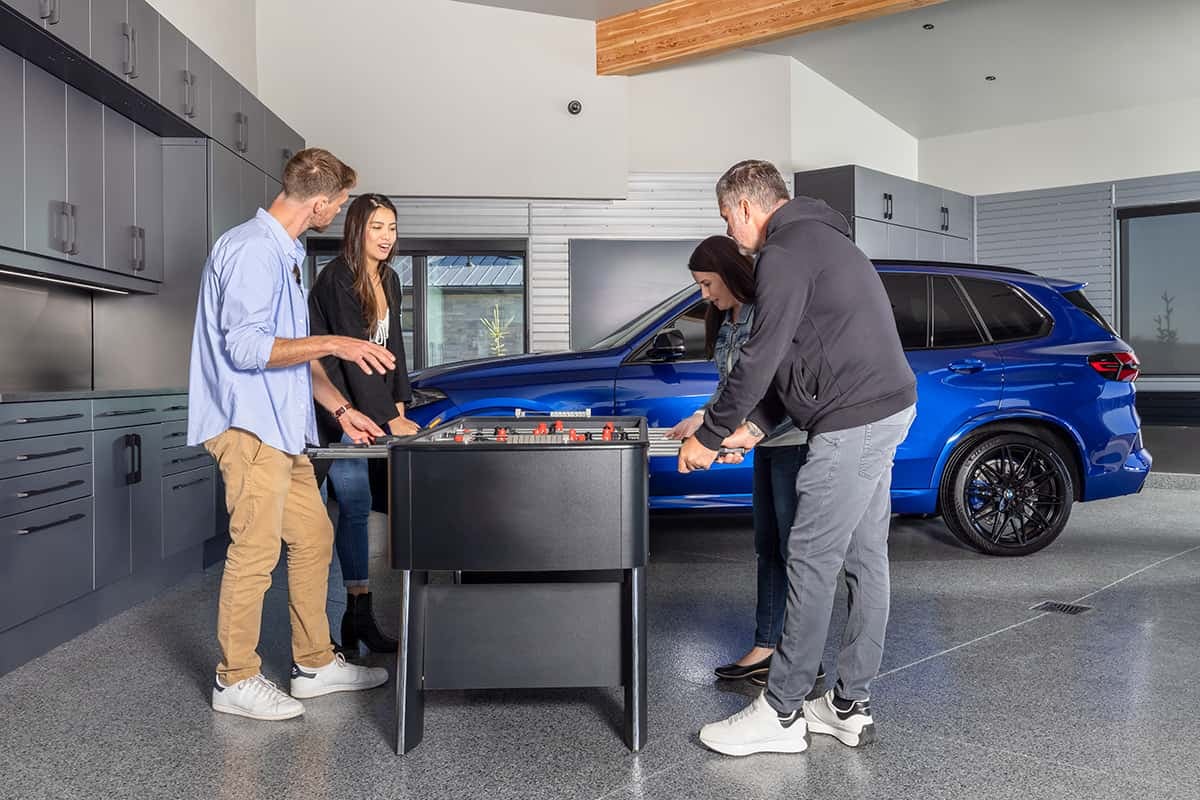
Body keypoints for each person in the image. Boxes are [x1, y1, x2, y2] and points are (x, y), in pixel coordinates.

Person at [679, 160, 917, 756]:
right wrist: (755, 427)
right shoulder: (827, 241)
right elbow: (800, 360)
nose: (732, 233)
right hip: (886, 408)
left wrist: (709, 434)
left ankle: (780, 712)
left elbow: (760, 356)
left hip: (853, 420)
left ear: (745, 208)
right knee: (865, 558)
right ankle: (846, 706)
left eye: (728, 219)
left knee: (809, 556)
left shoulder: (782, 255)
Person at [189, 148, 396, 722]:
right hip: (248, 428)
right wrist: (338, 342)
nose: (340, 212)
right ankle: (235, 679)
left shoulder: (285, 253)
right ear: (322, 203)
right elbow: (248, 349)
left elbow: (294, 357)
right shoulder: (253, 250)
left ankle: (314, 664)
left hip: (284, 433)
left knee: (313, 538)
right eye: (343, 204)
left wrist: (340, 406)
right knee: (254, 554)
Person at [666, 236, 821, 689]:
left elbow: (781, 386)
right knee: (768, 546)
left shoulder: (764, 314)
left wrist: (743, 433)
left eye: (707, 284)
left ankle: (802, 661)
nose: (704, 295)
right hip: (760, 446)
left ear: (731, 273)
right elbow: (733, 386)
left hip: (792, 441)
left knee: (798, 552)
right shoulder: (726, 318)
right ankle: (766, 647)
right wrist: (702, 417)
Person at [308, 194, 418, 654]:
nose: (387, 236)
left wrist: (400, 402)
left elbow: (391, 348)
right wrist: (387, 419)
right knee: (313, 526)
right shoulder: (336, 280)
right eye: (376, 227)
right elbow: (352, 360)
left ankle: (359, 615)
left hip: (366, 413)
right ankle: (315, 635)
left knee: (356, 507)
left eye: (391, 227)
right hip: (331, 411)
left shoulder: (388, 279)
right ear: (356, 229)